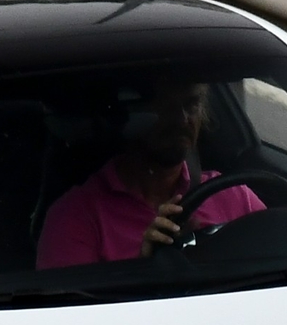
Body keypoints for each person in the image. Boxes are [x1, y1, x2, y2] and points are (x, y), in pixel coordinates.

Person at [36, 78, 266, 268]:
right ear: (126, 117)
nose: (182, 119)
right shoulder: (76, 217)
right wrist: (145, 267)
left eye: (191, 104)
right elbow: (71, 319)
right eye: (165, 107)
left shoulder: (233, 195)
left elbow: (282, 245)